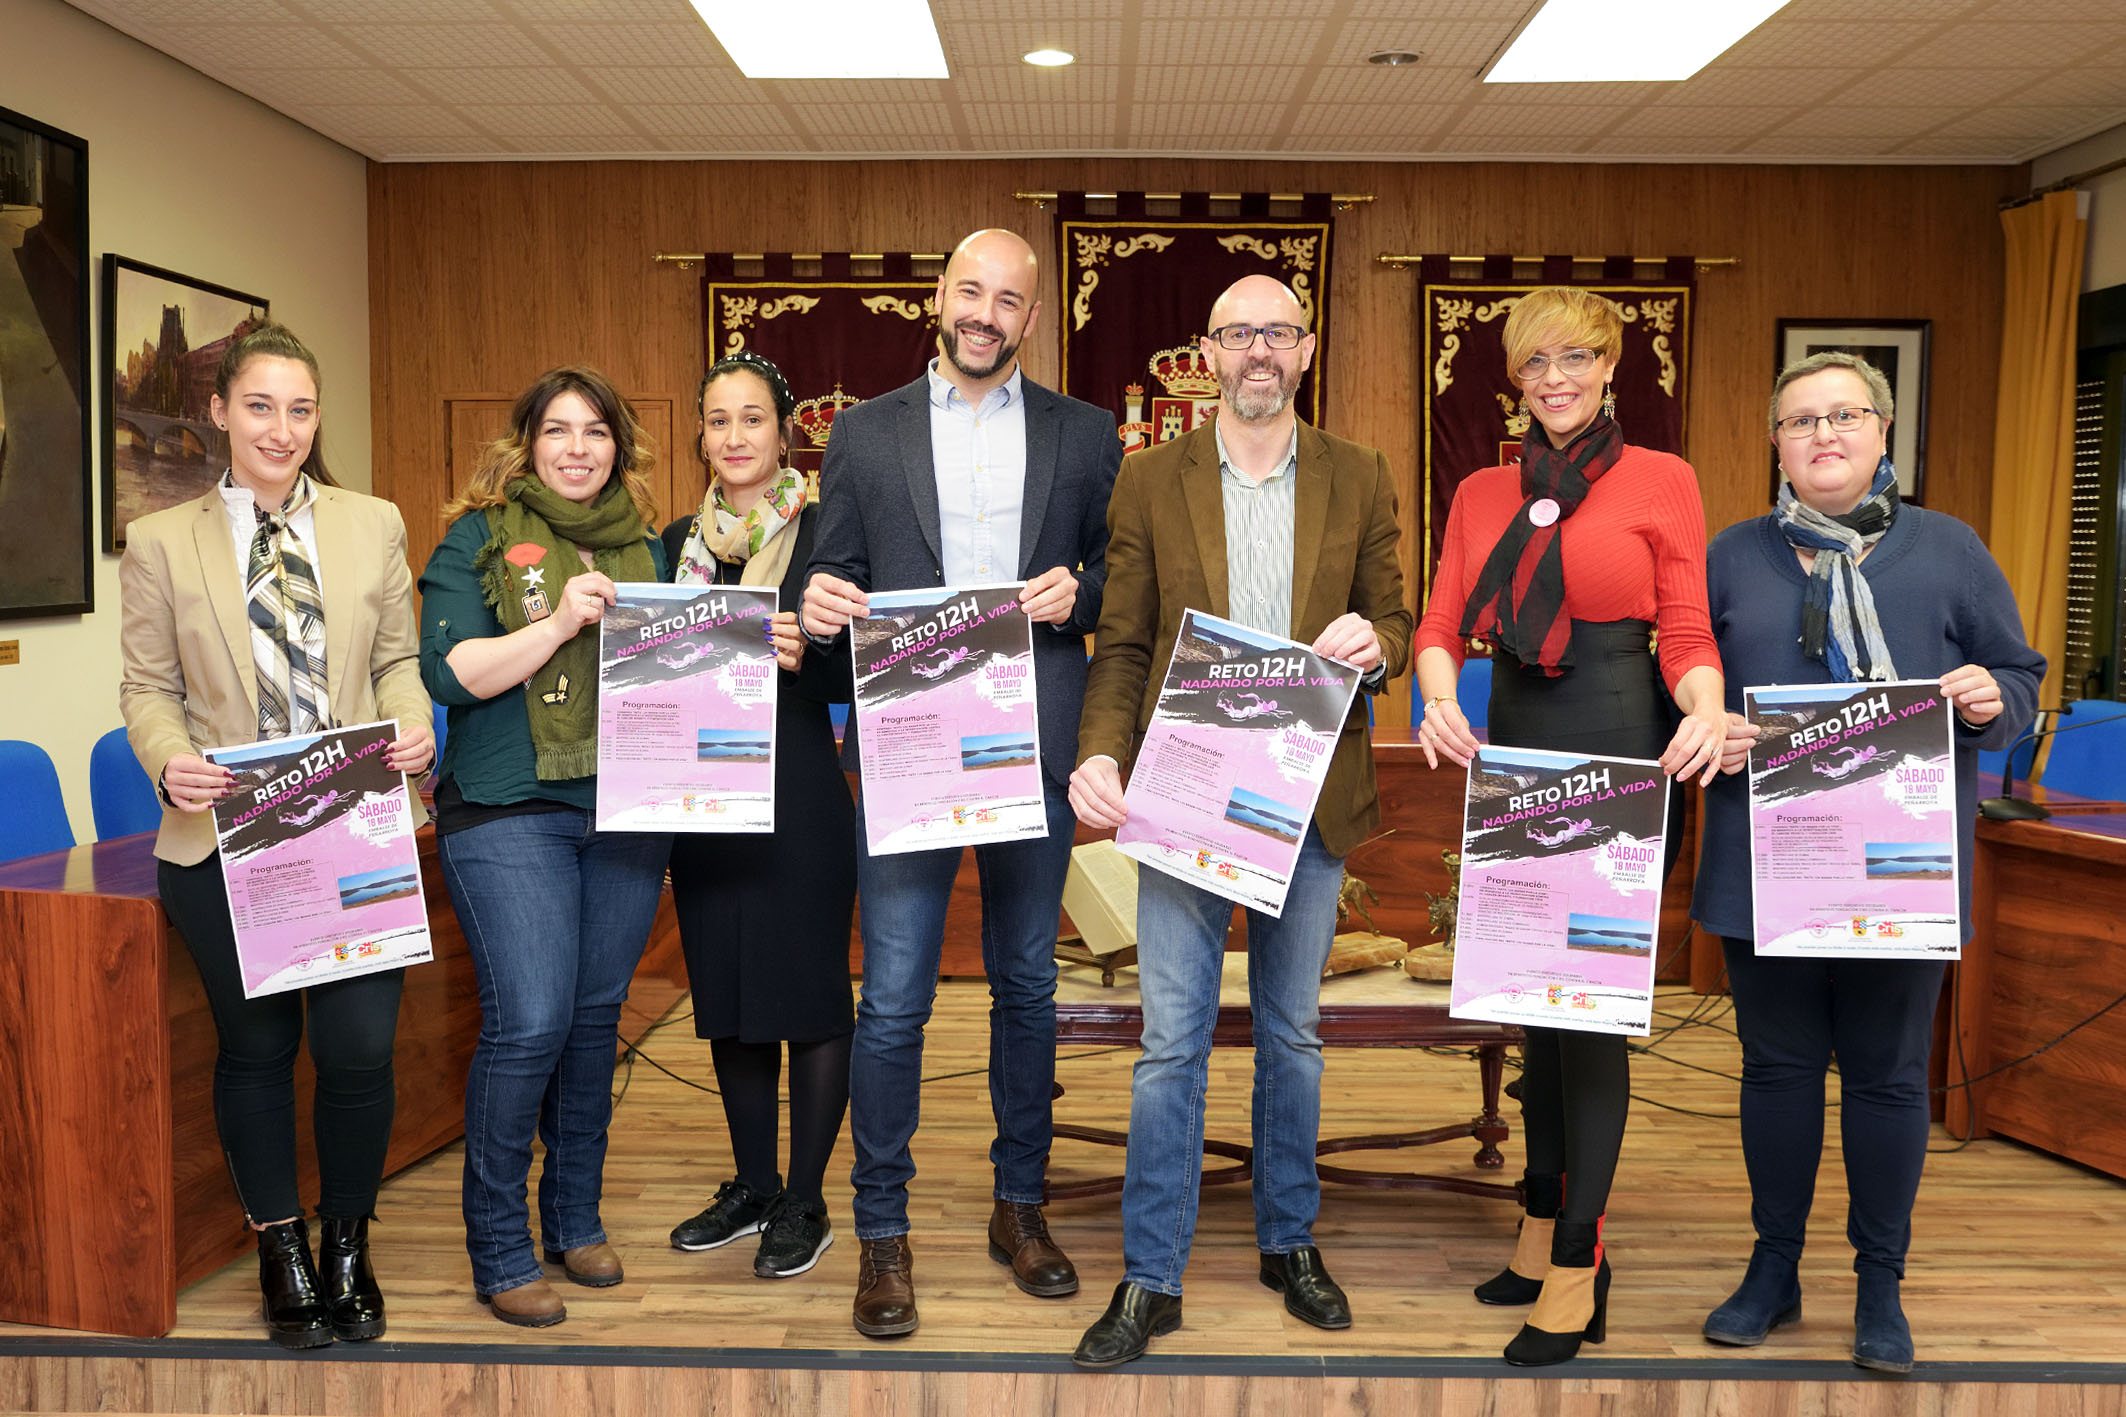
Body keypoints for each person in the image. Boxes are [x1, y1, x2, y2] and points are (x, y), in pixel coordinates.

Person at [1065, 274, 1413, 1369]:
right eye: (1237, 333)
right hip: (1186, 796)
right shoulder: (1148, 479)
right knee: (1169, 1043)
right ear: (1206, 352)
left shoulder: (1360, 472)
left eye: (1277, 332)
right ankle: (1150, 1272)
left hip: (1308, 801)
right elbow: (1123, 640)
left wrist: (1377, 645)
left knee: (1291, 1037)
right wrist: (1098, 751)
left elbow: (1396, 620)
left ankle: (1288, 1240)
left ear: (1306, 350)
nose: (1258, 350)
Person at [1692, 352, 2043, 1375]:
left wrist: (1992, 699)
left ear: (1883, 431)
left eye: (1843, 415)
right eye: (1800, 421)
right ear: (1775, 444)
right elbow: (1687, 677)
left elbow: (2019, 678)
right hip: (1767, 864)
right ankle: (1774, 1269)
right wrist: (1709, 724)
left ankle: (1878, 1282)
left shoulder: (1949, 548)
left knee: (1888, 1080)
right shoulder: (1732, 554)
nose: (1823, 435)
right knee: (1777, 1072)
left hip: (1899, 868)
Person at [801, 228, 1121, 1339]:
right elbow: (829, 569)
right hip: (910, 743)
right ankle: (881, 1230)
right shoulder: (863, 431)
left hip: (1033, 742)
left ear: (1032, 316)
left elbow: (1118, 577)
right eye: (970, 291)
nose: (986, 313)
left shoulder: (1084, 433)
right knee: (894, 995)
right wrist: (820, 600)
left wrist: (1077, 595)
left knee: (1026, 985)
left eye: (1009, 299)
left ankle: (1020, 1206)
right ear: (939, 297)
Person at [1412, 287, 1728, 1367]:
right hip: (1519, 748)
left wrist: (1704, 707)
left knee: (1585, 1015)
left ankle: (1581, 1262)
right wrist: (1437, 695)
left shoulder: (1663, 479)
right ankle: (1539, 1223)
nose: (1555, 378)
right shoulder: (1481, 491)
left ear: (1609, 366)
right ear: (1514, 378)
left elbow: (1684, 627)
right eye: (1535, 362)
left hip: (1624, 742)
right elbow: (1440, 622)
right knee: (1531, 1007)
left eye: (1576, 357)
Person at [118, 322, 435, 1349]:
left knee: (359, 1050)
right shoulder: (161, 541)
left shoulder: (372, 523)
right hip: (222, 836)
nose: (281, 429)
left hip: (352, 826)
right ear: (218, 412)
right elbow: (146, 687)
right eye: (259, 406)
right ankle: (279, 1245)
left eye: (300, 409)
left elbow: (396, 662)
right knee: (256, 1049)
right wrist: (168, 757)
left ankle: (346, 1240)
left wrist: (414, 720)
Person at [417, 366, 671, 1327]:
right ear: (526, 443)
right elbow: (452, 673)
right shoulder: (478, 539)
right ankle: (499, 1246)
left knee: (595, 1017)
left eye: (596, 431)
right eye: (558, 429)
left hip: (625, 807)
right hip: (506, 806)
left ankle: (574, 1217)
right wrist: (562, 620)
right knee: (529, 1022)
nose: (577, 448)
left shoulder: (648, 546)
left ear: (619, 448)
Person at [661, 351, 855, 1280]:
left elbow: (866, 667)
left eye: (752, 418)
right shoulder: (673, 545)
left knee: (810, 999)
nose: (734, 436)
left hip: (800, 792)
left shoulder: (826, 536)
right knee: (730, 1002)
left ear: (785, 432)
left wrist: (808, 652)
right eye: (717, 420)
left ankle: (806, 1200)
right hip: (703, 799)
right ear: (700, 436)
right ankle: (753, 1183)